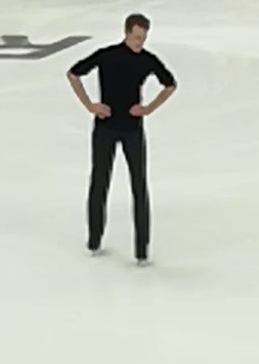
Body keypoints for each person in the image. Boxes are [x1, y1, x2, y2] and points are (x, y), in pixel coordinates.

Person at [67, 13, 177, 265]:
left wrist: (148, 108)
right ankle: (94, 240)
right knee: (100, 182)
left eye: (143, 38)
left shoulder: (147, 60)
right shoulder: (107, 56)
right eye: (137, 37)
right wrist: (89, 105)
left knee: (139, 185)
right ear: (127, 32)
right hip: (105, 127)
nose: (140, 42)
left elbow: (170, 84)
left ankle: (141, 251)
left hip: (132, 129)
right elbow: (73, 74)